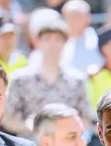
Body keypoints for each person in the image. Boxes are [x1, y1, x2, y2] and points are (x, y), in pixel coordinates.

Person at [5, 8, 91, 136]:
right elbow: (7, 119)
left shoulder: (77, 80)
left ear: (64, 42)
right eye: (47, 39)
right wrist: (27, 126)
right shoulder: (21, 78)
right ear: (37, 42)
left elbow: (86, 120)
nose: (52, 44)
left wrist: (66, 126)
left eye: (57, 39)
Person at [58, 0, 103, 76]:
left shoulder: (100, 41)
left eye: (76, 17)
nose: (72, 21)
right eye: (68, 17)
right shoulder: (58, 42)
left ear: (88, 17)